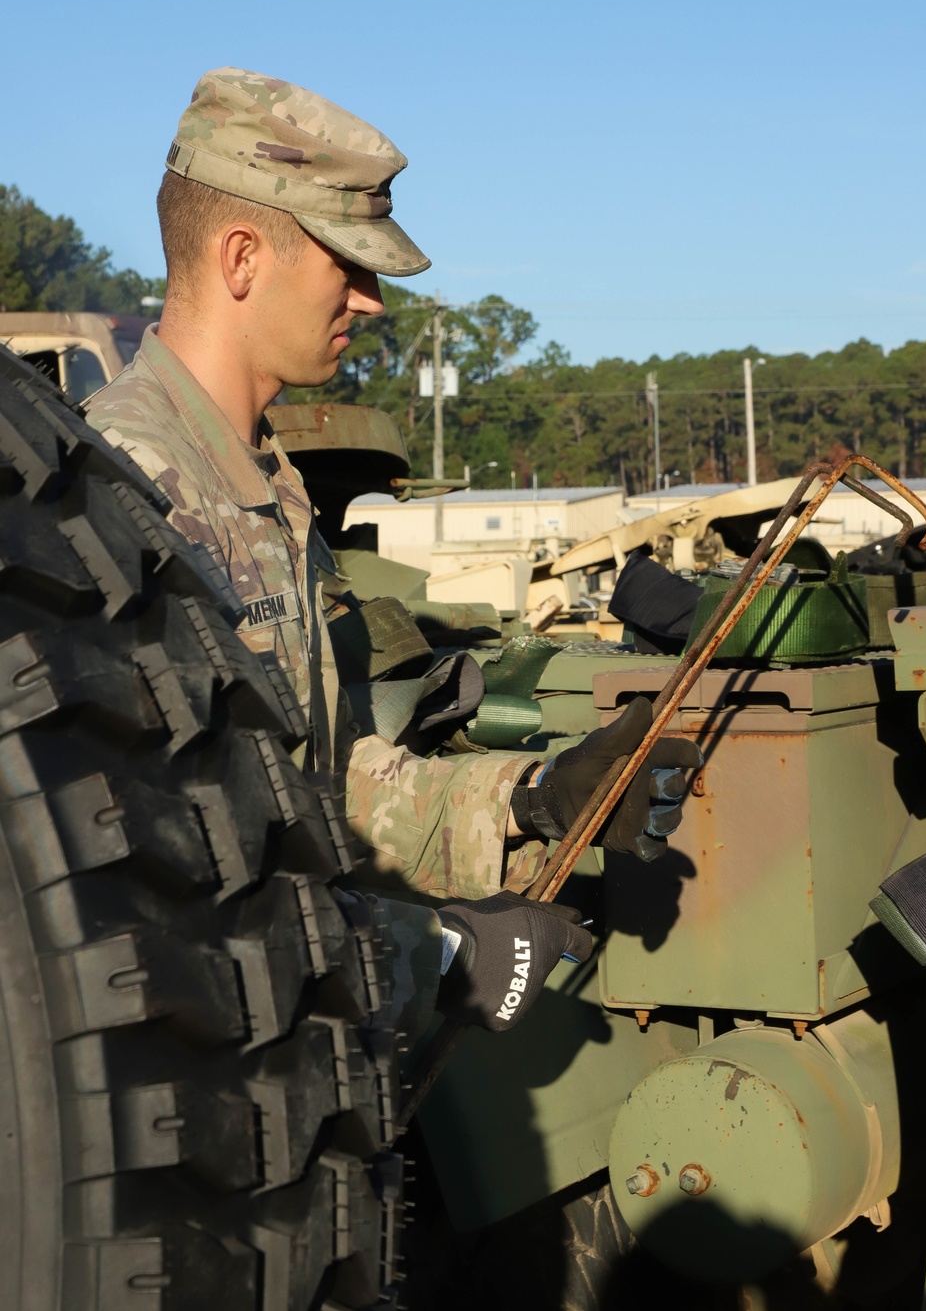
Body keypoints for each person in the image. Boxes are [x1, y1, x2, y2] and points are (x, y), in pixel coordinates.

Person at [87, 68, 699, 1037]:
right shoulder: (125, 498)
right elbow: (145, 893)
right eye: (346, 263)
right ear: (242, 258)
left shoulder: (261, 489)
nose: (369, 301)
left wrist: (540, 795)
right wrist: (430, 958)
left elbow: (323, 794)